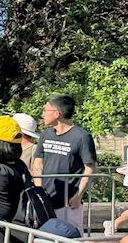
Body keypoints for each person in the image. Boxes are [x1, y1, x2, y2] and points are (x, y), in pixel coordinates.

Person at [33, 94, 97, 231]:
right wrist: (39, 190)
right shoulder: (46, 134)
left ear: (57, 114)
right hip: (46, 198)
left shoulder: (82, 137)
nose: (42, 114)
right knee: (45, 239)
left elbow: (90, 167)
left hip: (69, 202)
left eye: (45, 110)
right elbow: (38, 161)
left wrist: (78, 195)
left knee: (70, 237)